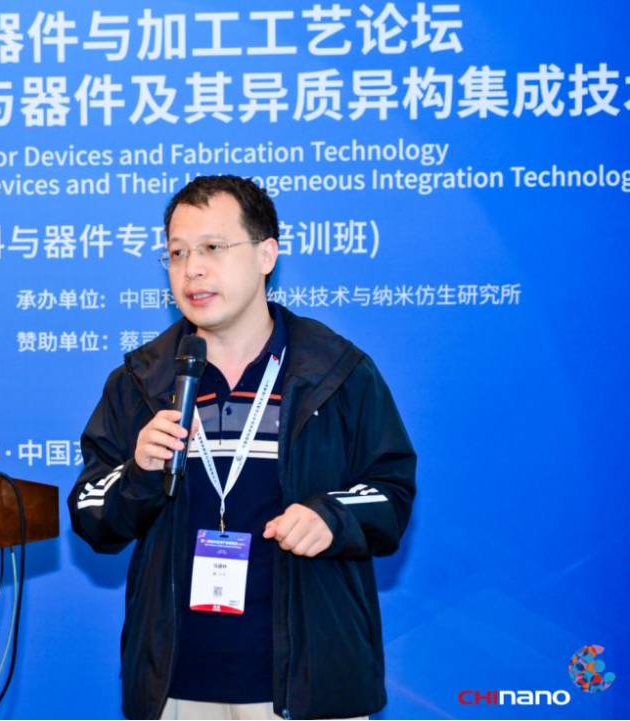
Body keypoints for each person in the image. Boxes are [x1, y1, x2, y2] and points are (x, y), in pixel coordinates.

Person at [68, 175, 416, 721]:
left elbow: (392, 492)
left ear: (266, 255)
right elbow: (91, 514)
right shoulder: (142, 382)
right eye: (177, 253)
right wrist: (138, 471)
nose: (192, 269)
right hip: (175, 687)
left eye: (212, 247)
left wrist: (332, 517)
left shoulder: (337, 372)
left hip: (309, 684)